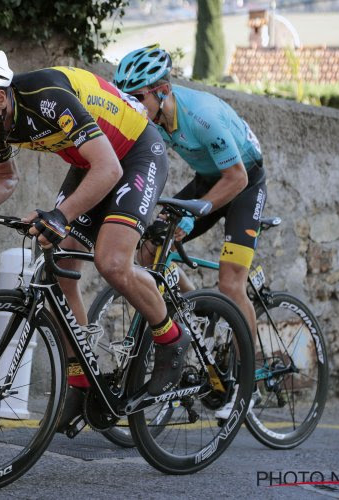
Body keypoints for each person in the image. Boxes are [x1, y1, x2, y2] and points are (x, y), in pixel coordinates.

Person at [0, 49, 192, 432]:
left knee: (111, 262)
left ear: (0, 97)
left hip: (135, 153)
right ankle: (81, 381)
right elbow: (4, 177)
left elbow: (110, 168)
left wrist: (60, 216)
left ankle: (171, 342)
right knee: (57, 267)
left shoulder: (46, 97)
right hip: (91, 162)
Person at [113, 45, 267, 418]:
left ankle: (249, 385)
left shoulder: (203, 117)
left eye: (138, 98)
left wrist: (192, 216)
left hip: (244, 183)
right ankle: (191, 314)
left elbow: (237, 178)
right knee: (150, 247)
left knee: (231, 284)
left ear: (162, 91)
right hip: (209, 179)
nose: (132, 105)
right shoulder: (155, 119)